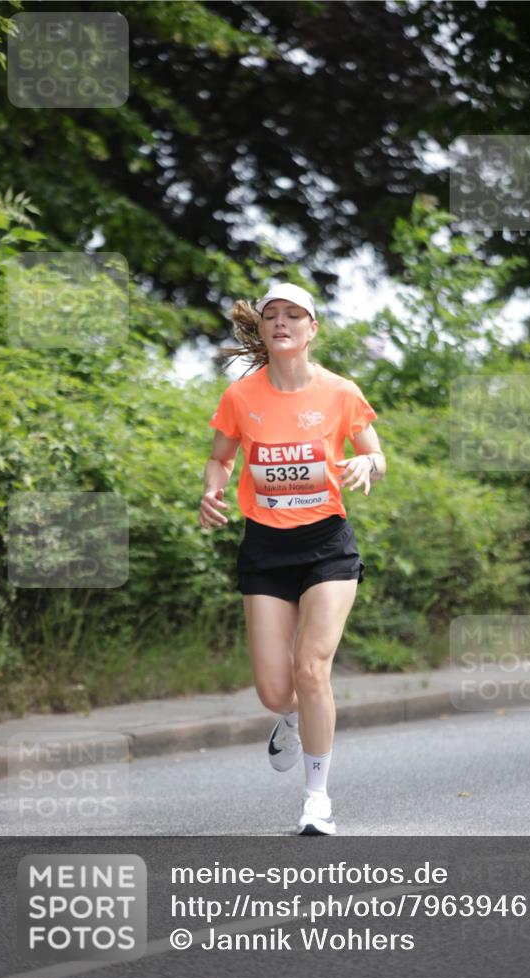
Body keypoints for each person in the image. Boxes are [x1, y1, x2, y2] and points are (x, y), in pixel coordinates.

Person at [199, 282, 386, 835]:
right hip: (265, 548)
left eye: (293, 315)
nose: (281, 322)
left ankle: (316, 800)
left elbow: (376, 454)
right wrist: (212, 489)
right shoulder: (241, 397)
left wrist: (366, 465)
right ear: (261, 329)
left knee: (311, 668)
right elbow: (220, 457)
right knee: (276, 691)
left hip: (327, 545)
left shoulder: (340, 392)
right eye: (271, 315)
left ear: (312, 328)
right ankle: (290, 718)